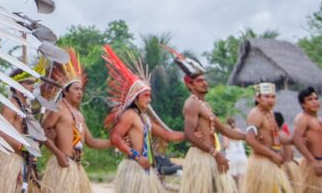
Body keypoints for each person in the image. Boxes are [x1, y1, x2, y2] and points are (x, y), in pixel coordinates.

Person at [102, 45, 184, 193]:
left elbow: (167, 135)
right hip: (134, 168)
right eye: (146, 95)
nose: (149, 99)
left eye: (150, 95)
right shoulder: (129, 116)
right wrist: (137, 157)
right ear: (135, 97)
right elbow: (115, 138)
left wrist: (189, 135)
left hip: (145, 168)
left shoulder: (144, 118)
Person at [164, 45, 243, 193]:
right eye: (199, 81)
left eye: (205, 80)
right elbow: (189, 135)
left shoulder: (205, 105)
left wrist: (248, 137)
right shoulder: (192, 103)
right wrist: (215, 153)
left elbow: (225, 130)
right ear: (190, 85)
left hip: (211, 157)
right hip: (201, 158)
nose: (204, 83)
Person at [41, 49, 112, 193]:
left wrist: (115, 142)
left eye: (81, 89)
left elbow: (92, 142)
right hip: (62, 166)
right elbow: (41, 133)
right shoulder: (58, 108)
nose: (80, 92)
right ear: (65, 91)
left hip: (76, 167)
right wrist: (58, 153)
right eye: (76, 89)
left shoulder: (79, 115)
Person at [0, 65, 45, 193]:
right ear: (17, 85)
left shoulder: (26, 107)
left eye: (33, 83)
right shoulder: (11, 105)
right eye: (28, 83)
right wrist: (22, 146)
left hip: (23, 161)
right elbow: (1, 133)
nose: (32, 86)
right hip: (11, 160)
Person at [242, 82, 294, 193]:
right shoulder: (255, 114)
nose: (271, 100)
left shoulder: (270, 112)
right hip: (262, 163)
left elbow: (274, 135)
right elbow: (250, 139)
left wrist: (292, 140)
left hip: (272, 162)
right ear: (258, 97)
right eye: (266, 96)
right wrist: (272, 154)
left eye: (273, 96)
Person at [274, 111, 300, 189]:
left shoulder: (280, 135)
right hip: (285, 166)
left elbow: (287, 155)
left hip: (283, 167)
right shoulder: (281, 134)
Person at [224, 117, 248, 185]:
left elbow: (226, 145)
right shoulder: (239, 131)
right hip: (242, 156)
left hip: (232, 157)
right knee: (242, 180)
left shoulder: (226, 132)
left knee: (230, 181)